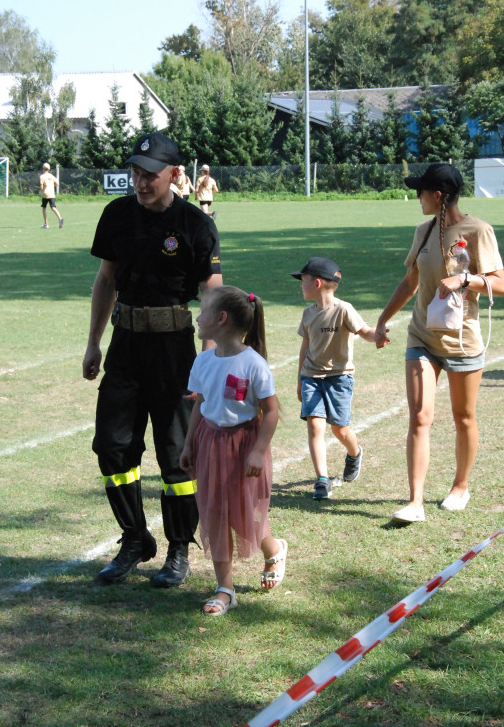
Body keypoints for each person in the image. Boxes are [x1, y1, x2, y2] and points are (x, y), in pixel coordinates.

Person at [82, 131, 223, 586]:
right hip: (125, 344)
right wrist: (93, 343)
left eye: (150, 176)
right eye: (136, 174)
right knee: (112, 445)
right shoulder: (117, 215)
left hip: (174, 348)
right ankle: (135, 537)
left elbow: (212, 292)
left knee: (175, 454)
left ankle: (179, 548)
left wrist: (207, 360)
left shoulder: (195, 224)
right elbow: (105, 281)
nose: (141, 183)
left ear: (174, 174)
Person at [375, 163, 504, 523]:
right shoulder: (423, 230)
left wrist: (465, 280)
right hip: (422, 336)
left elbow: (500, 283)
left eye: (421, 191)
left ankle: (460, 486)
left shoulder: (478, 231)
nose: (417, 197)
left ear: (438, 195)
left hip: (463, 341)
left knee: (464, 417)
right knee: (419, 416)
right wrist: (383, 320)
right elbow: (410, 282)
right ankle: (415, 502)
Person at [180, 286, 287, 616]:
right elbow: (200, 402)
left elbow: (271, 411)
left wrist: (257, 451)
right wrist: (189, 443)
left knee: (245, 517)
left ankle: (274, 549)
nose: (197, 317)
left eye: (203, 311)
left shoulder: (253, 364)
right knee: (214, 514)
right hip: (210, 444)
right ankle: (225, 588)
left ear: (221, 319)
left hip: (244, 447)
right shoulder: (203, 360)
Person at [292, 257, 378, 500]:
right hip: (311, 377)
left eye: (303, 280)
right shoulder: (308, 314)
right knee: (315, 424)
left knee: (340, 430)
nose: (300, 284)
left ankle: (354, 453)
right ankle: (322, 480)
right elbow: (304, 347)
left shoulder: (344, 309)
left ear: (317, 283)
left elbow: (365, 332)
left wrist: (378, 335)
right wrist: (300, 379)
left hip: (339, 378)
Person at [39, 163, 63, 228]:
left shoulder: (42, 176)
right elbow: (57, 183)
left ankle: (46, 224)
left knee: (44, 208)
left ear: (43, 168)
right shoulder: (51, 176)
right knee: (53, 207)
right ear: (49, 169)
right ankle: (60, 218)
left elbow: (41, 187)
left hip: (45, 194)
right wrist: (52, 186)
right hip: (52, 194)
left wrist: (40, 191)